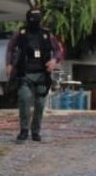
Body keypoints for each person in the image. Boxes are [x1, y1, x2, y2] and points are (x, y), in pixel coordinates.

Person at [4, 8, 64, 143]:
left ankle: (35, 131)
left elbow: (59, 50)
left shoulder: (47, 34)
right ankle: (24, 130)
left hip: (42, 74)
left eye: (36, 20)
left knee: (40, 103)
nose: (34, 23)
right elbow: (10, 48)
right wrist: (9, 64)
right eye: (31, 20)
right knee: (24, 100)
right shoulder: (21, 33)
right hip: (24, 73)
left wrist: (54, 60)